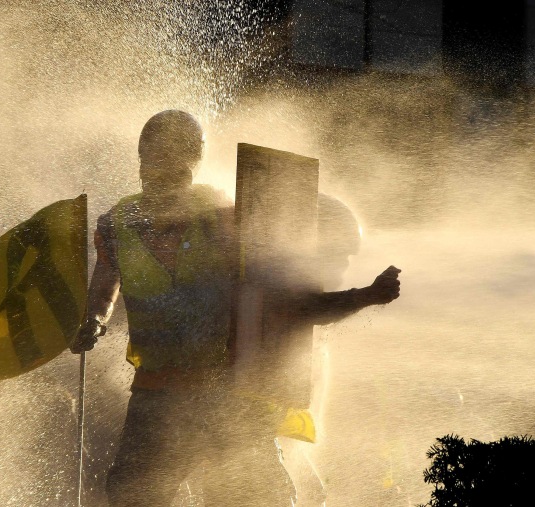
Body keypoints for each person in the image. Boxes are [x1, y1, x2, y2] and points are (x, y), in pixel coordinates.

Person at [70, 110, 401, 506]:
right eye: (154, 157)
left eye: (172, 159)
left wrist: (362, 296)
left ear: (191, 162)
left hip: (227, 398)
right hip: (156, 396)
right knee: (134, 497)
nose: (160, 168)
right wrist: (93, 320)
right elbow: (105, 287)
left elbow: (284, 303)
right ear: (142, 158)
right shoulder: (117, 224)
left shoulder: (225, 218)